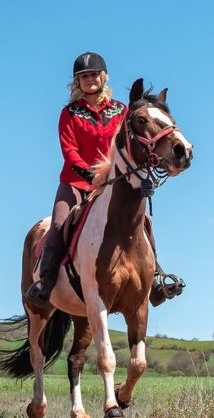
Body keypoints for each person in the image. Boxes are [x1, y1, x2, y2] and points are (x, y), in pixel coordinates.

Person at [25, 52, 184, 306]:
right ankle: (45, 282)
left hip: (113, 183)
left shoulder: (121, 111)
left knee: (144, 221)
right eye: (84, 76)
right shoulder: (70, 113)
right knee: (58, 224)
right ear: (77, 82)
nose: (89, 80)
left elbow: (131, 144)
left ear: (103, 77)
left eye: (93, 75)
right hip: (76, 183)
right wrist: (86, 173)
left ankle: (153, 279)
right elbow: (70, 151)